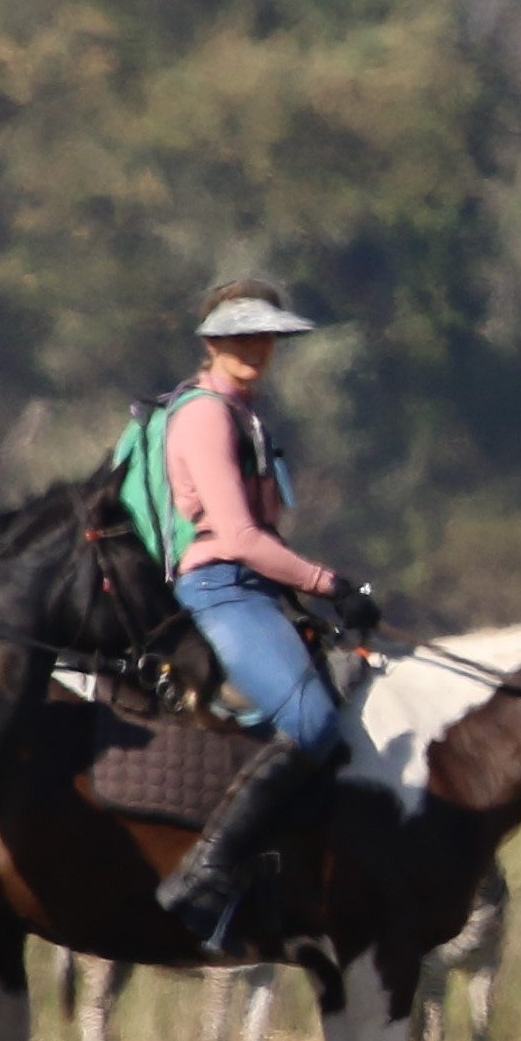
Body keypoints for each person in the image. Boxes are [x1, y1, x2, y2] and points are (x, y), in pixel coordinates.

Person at [138, 279, 381, 951]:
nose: (255, 348)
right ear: (212, 343)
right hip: (221, 588)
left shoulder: (244, 412)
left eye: (264, 335)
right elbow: (242, 539)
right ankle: (204, 874)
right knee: (309, 719)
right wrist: (332, 583)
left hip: (256, 588)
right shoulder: (207, 416)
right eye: (240, 336)